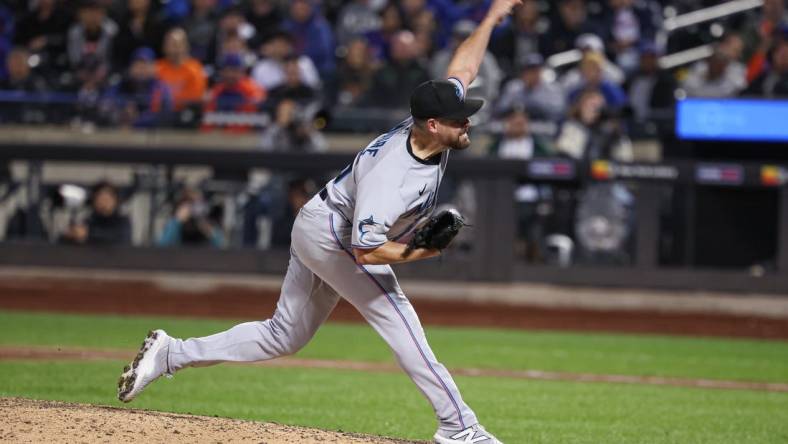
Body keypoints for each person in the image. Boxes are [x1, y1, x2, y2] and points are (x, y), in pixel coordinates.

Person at [116, 1, 522, 443]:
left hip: (321, 221)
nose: (467, 123)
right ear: (431, 124)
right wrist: (427, 250)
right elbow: (366, 250)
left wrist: (491, 17)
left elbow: (463, 65)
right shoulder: (393, 175)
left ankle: (171, 353)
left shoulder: (424, 128)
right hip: (336, 235)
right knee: (398, 317)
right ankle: (459, 427)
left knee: (282, 335)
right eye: (458, 120)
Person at [60, 181, 131, 245]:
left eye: (107, 198)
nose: (104, 202)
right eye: (100, 198)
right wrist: (71, 235)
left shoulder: (122, 221)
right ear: (94, 201)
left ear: (115, 201)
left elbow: (120, 238)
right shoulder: (89, 221)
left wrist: (88, 234)